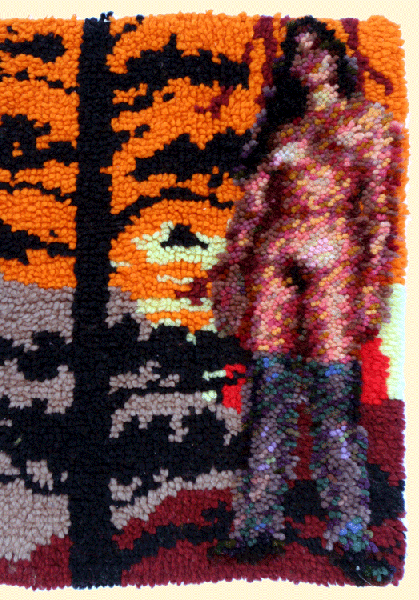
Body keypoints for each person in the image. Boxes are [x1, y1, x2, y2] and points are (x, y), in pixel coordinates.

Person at [208, 16, 403, 585]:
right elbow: (251, 212)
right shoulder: (283, 132)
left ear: (338, 57)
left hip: (335, 269)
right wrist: (232, 275)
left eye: (317, 49)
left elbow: (379, 214)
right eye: (297, 52)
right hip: (273, 268)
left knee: (336, 408)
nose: (308, 60)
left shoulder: (370, 122)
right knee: (268, 399)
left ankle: (352, 536)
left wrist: (372, 289)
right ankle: (257, 527)